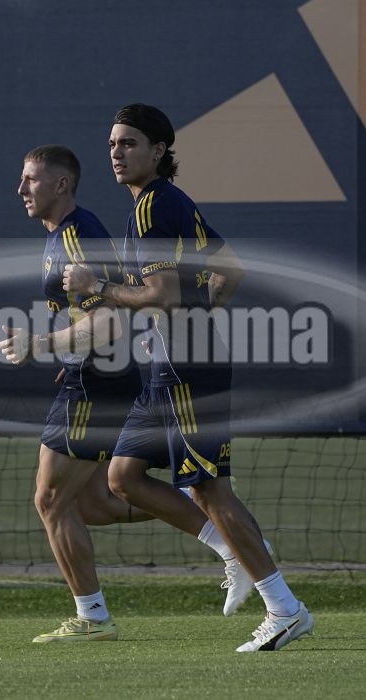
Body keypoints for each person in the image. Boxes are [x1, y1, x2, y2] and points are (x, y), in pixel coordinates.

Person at [63, 105, 315, 652]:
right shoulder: (163, 202)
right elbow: (232, 270)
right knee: (123, 476)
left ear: (158, 151)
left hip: (186, 369)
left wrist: (95, 286)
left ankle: (285, 609)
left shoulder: (155, 205)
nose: (116, 152)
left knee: (206, 487)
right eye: (112, 143)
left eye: (129, 143)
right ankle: (233, 552)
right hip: (171, 363)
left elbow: (161, 294)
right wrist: (186, 321)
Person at [0, 144, 264, 644]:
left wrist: (42, 345)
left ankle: (94, 617)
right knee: (95, 502)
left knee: (51, 499)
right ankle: (231, 536)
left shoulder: (78, 236)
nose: (21, 189)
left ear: (61, 184)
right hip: (92, 376)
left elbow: (108, 323)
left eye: (31, 179)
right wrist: (69, 350)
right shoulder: (62, 236)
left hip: (94, 385)